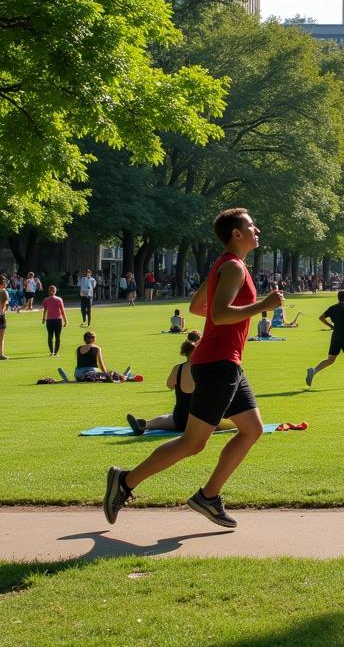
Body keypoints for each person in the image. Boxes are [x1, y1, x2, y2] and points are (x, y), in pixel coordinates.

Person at [103, 207, 285, 530]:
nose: (257, 230)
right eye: (250, 226)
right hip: (218, 364)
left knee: (252, 429)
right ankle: (125, 481)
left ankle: (209, 496)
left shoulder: (225, 265)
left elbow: (197, 306)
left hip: (227, 363)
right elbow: (217, 314)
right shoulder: (232, 268)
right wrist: (264, 306)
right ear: (237, 234)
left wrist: (226, 304)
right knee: (192, 442)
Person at [127, 332, 234, 435]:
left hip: (180, 419)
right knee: (239, 423)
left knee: (169, 418)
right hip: (201, 421)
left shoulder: (177, 368)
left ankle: (144, 424)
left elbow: (169, 385)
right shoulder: (205, 369)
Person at [306, 289, 344, 388]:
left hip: (336, 335)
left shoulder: (332, 308)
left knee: (330, 360)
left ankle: (314, 370)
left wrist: (330, 325)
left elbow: (321, 317)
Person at [41, 285, 68, 356]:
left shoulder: (46, 300)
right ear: (55, 291)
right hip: (58, 320)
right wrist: (66, 320)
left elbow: (45, 310)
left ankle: (51, 352)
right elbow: (62, 311)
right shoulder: (59, 299)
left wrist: (43, 318)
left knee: (50, 336)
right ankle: (55, 352)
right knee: (57, 336)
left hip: (49, 320)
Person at [0, 274, 9, 360]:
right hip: (1, 316)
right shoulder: (4, 292)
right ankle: (1, 354)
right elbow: (4, 306)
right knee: (1, 338)